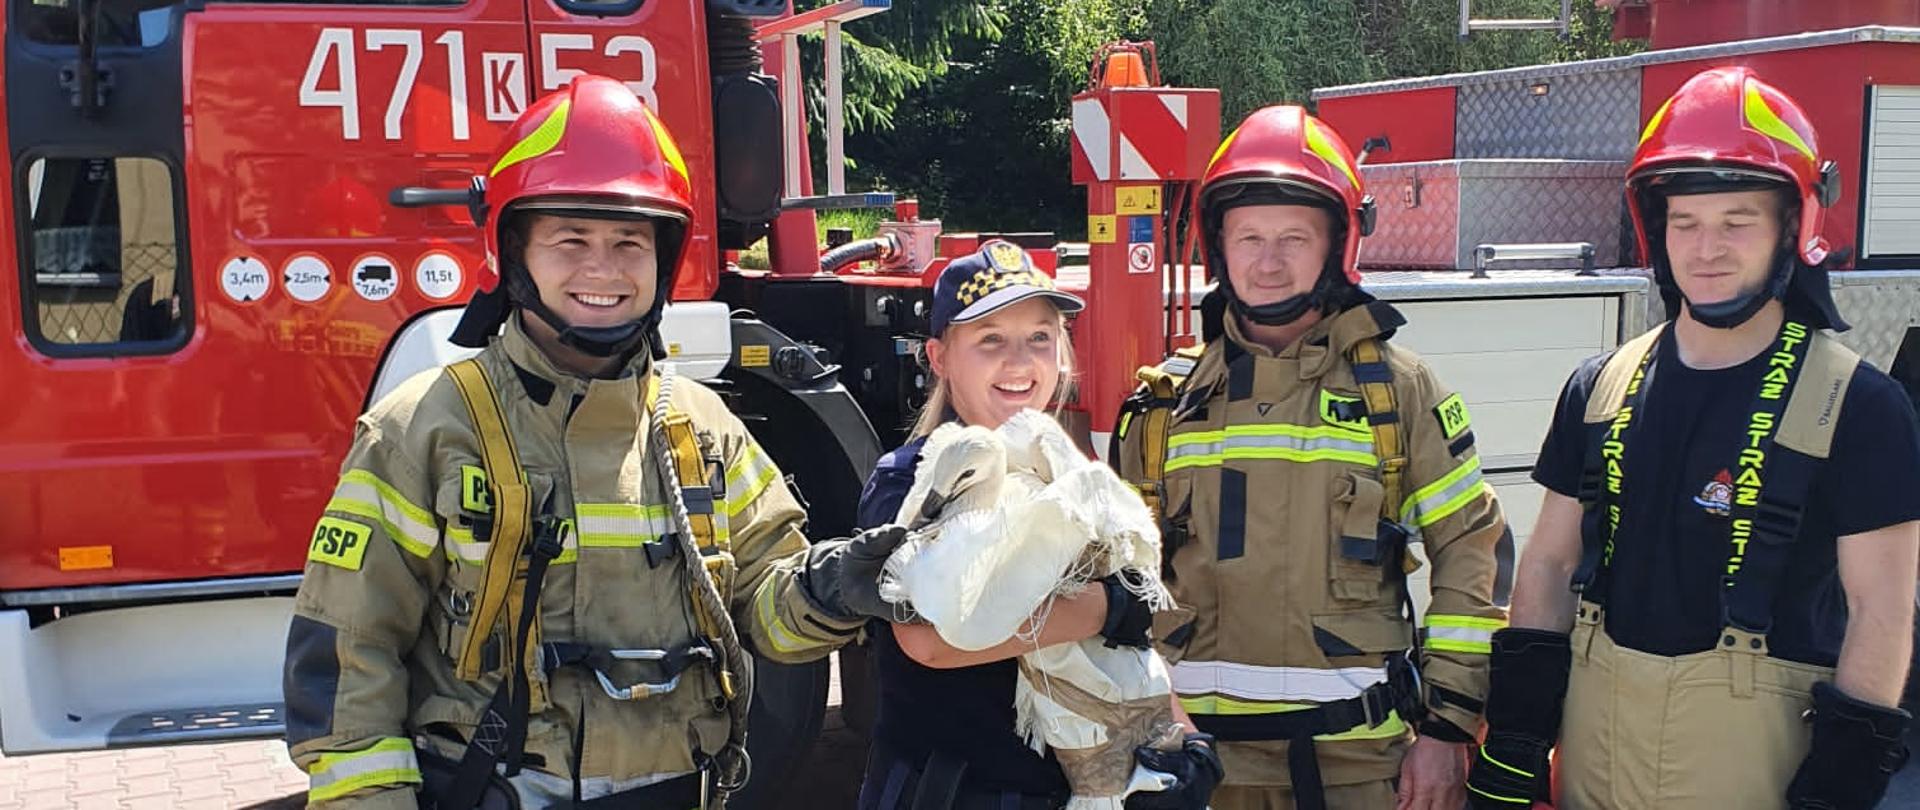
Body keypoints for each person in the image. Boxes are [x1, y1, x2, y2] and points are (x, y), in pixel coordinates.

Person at [282, 75, 900, 809]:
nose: (603, 269)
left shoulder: (703, 429)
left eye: (629, 242)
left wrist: (827, 589)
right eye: (570, 239)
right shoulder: (426, 429)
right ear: (513, 252)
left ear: (664, 260)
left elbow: (768, 615)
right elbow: (349, 655)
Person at [1465, 66, 1920, 810]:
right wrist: (1514, 741)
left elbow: (1883, 611)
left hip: (1755, 770)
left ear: (1791, 229)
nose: (1706, 248)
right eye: (1686, 222)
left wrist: (1838, 788)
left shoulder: (1859, 405)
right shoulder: (1600, 386)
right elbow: (1546, 564)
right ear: (1658, 229)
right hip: (1594, 747)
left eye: (1736, 221)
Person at [1110, 105, 1511, 810]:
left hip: (1356, 768)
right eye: (1250, 237)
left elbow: (1470, 558)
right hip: (1197, 767)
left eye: (1294, 237)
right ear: (1219, 246)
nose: (1268, 261)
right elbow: (1114, 585)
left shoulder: (1399, 391)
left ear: (1338, 244)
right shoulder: (1161, 403)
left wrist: (1448, 729)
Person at [854, 239, 1224, 810]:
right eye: (990, 341)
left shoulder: (1077, 484)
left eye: (1039, 339)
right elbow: (929, 641)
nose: (1020, 362)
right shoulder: (912, 481)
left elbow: (1124, 650)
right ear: (938, 358)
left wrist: (1184, 737)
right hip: (955, 791)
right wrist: (1107, 606)